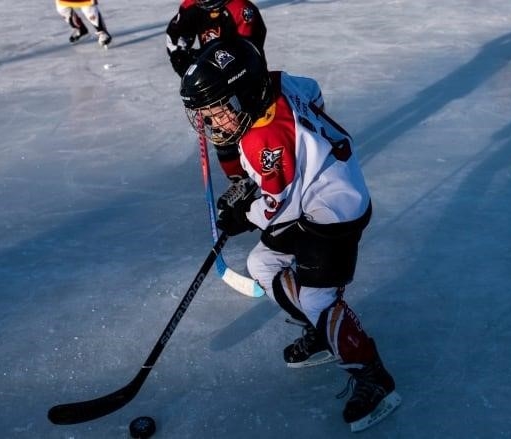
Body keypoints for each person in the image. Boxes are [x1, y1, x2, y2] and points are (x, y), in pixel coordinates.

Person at [179, 38, 400, 432]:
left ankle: (373, 377)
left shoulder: (264, 139)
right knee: (261, 263)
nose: (213, 121)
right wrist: (310, 146)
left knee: (317, 297)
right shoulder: (276, 83)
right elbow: (312, 89)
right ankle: (323, 333)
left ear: (244, 94)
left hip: (333, 213)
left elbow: (274, 204)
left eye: (218, 109)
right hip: (316, 196)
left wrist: (241, 215)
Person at [166, 0, 267, 206]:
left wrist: (207, 62)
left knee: (254, 129)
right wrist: (182, 58)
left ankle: (271, 174)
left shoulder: (241, 9)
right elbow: (175, 38)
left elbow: (248, 50)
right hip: (214, 87)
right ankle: (242, 181)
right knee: (221, 130)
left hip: (243, 81)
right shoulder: (190, 7)